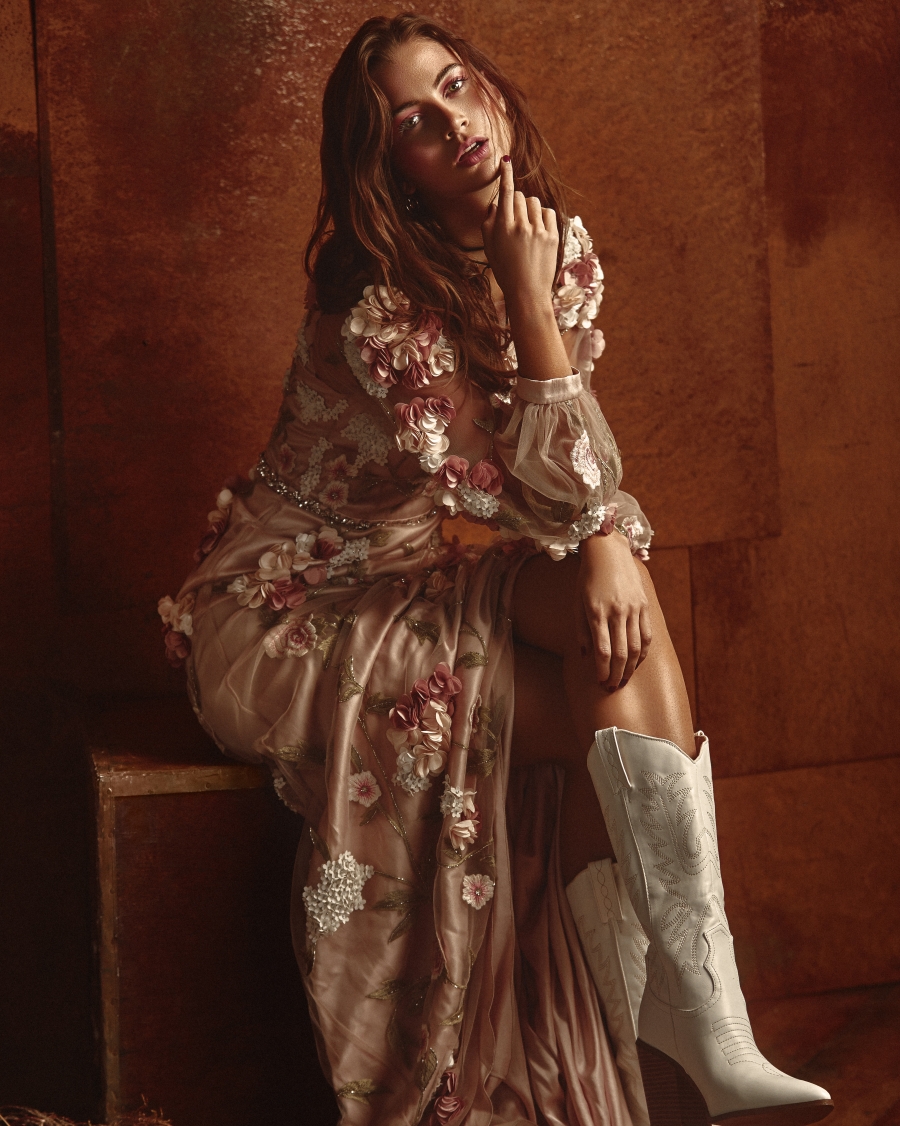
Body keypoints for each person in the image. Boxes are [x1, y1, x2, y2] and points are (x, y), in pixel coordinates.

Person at [158, 15, 833, 1126]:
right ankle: (680, 1020)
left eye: (457, 87)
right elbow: (533, 497)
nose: (453, 123)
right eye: (412, 124)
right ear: (391, 172)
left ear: (499, 96)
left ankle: (705, 1015)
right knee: (602, 655)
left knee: (615, 634)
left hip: (412, 577)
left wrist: (602, 540)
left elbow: (561, 495)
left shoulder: (547, 246)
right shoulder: (384, 311)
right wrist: (599, 520)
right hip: (292, 609)